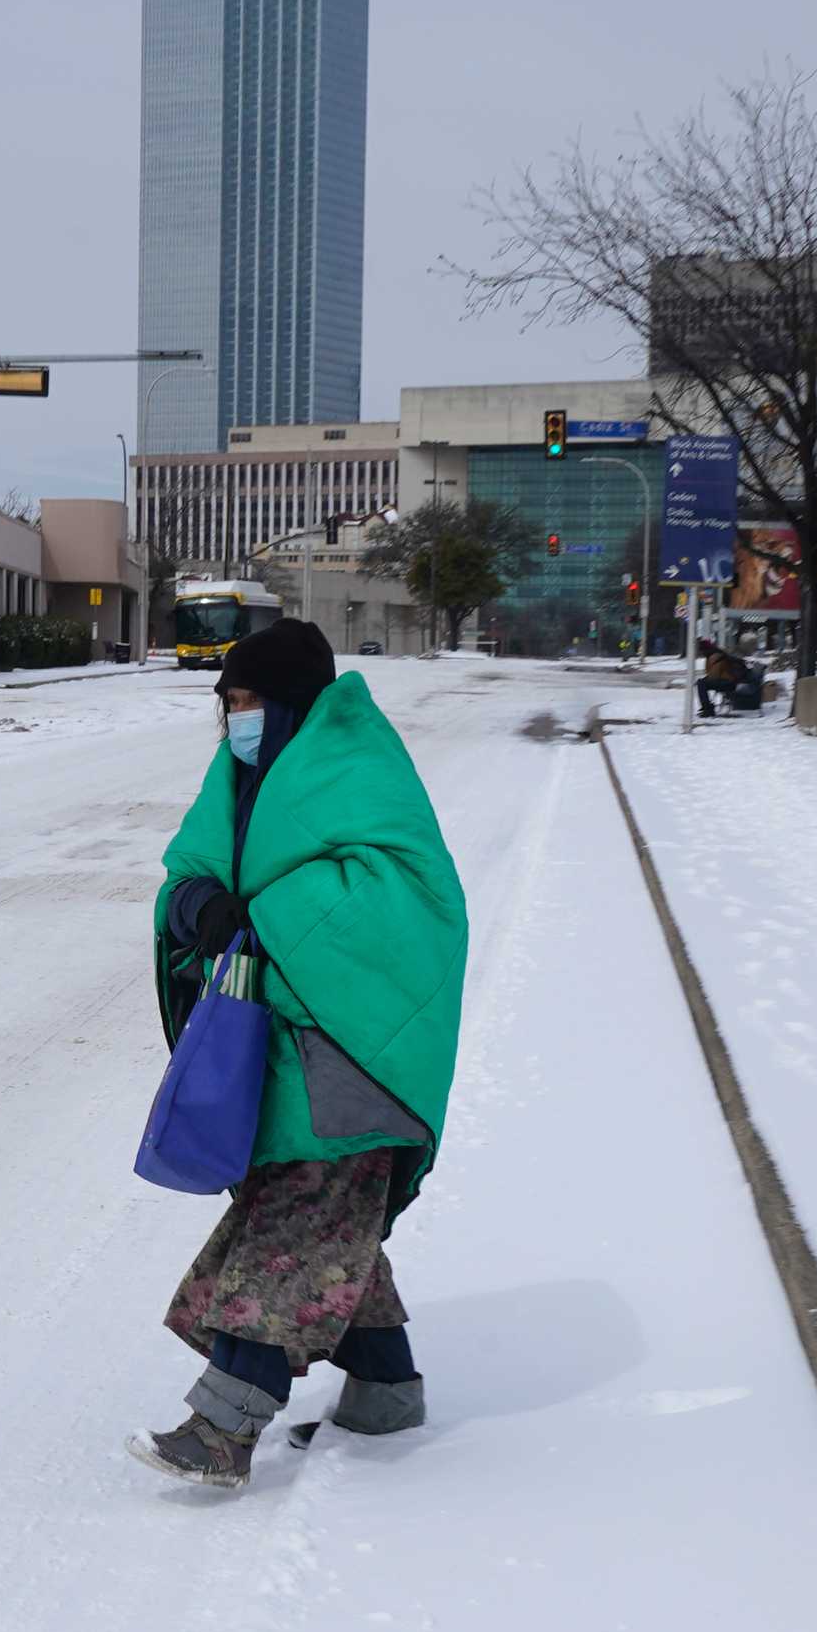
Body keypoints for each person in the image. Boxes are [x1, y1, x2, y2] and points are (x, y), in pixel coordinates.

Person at [131, 620, 469, 1488]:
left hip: (354, 1060)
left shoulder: (360, 770)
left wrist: (261, 916)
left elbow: (401, 903)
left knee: (290, 1233)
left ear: (289, 704)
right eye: (227, 704)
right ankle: (386, 1389)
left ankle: (222, 1427)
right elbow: (192, 871)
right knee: (327, 1223)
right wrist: (197, 905)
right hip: (279, 1056)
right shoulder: (241, 776)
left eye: (247, 701)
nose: (235, 719)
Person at [697, 638, 753, 717]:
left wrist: (704, 680)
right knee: (702, 682)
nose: (701, 653)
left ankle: (707, 709)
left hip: (729, 683)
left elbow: (714, 676)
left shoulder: (715, 657)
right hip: (731, 681)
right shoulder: (716, 654)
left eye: (701, 650)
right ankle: (707, 707)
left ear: (705, 650)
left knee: (701, 683)